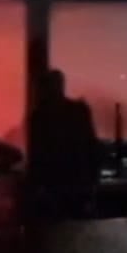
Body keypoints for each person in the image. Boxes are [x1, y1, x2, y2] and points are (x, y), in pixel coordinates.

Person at [26, 70, 100, 222]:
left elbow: (37, 156)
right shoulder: (78, 111)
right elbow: (92, 147)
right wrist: (92, 181)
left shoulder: (39, 118)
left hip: (55, 187)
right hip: (77, 184)